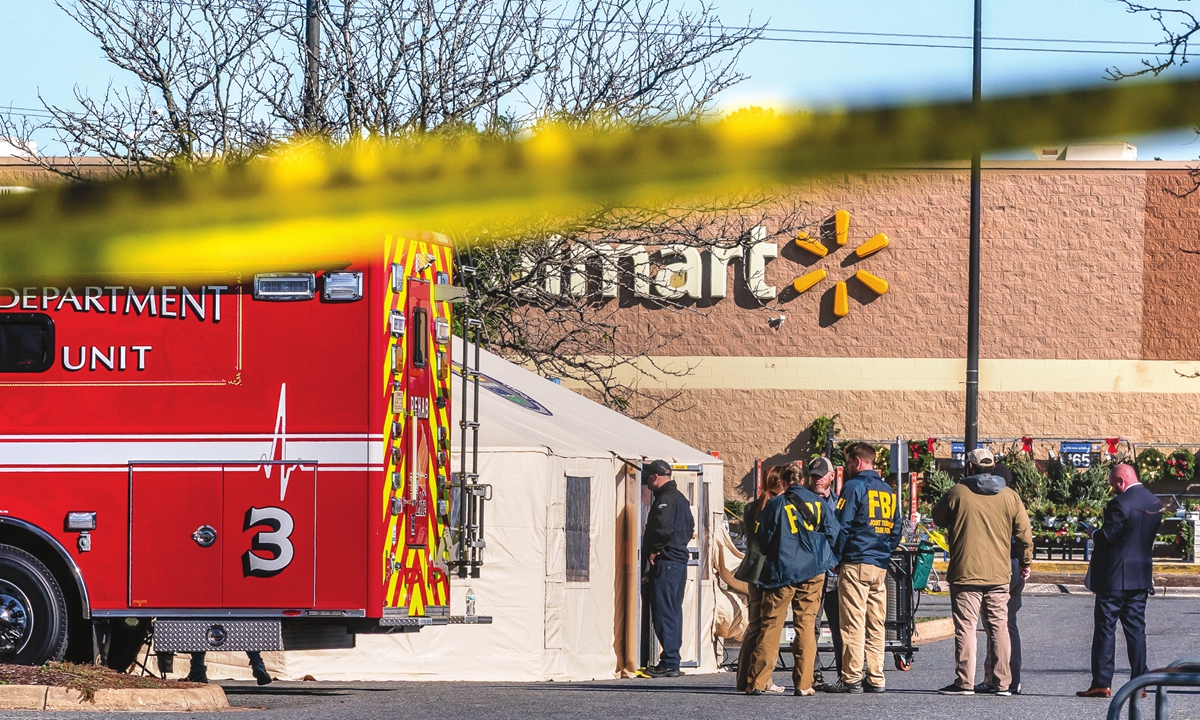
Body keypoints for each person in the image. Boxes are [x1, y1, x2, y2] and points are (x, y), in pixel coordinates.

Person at [932, 448, 1033, 696]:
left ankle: (964, 682)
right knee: (999, 626)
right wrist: (1026, 561)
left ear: (970, 466)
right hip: (999, 573)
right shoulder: (1010, 496)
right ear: (993, 465)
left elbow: (938, 518)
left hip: (965, 571)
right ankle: (1003, 682)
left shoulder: (958, 492)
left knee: (966, 627)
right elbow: (1024, 534)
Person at [744, 463, 841, 696]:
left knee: (771, 625)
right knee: (806, 626)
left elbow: (763, 539)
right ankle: (804, 683)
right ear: (803, 479)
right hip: (814, 570)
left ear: (784, 482)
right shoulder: (818, 504)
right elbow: (834, 532)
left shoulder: (776, 505)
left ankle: (758, 681)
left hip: (782, 569)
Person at [1077, 462, 1163, 699]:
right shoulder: (1153, 502)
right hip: (1140, 576)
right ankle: (1140, 683)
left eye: (1113, 485)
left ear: (1121, 482)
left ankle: (1102, 683)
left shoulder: (1119, 504)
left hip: (1114, 577)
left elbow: (1107, 537)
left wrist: (1092, 532)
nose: (1112, 490)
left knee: (1105, 629)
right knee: (1136, 630)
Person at [825, 442, 902, 694]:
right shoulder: (888, 490)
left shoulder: (853, 486)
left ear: (857, 461)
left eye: (848, 462)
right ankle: (876, 677)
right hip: (879, 565)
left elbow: (842, 526)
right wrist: (883, 552)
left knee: (852, 623)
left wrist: (836, 558)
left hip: (856, 561)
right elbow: (896, 529)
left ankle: (851, 678)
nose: (847, 467)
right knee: (876, 624)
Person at [735, 466, 788, 694]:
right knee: (770, 627)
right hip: (771, 571)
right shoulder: (780, 507)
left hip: (752, 571)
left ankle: (743, 678)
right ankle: (762, 679)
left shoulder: (750, 508)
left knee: (754, 626)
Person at [640, 459, 695, 678]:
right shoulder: (680, 498)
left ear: (655, 476)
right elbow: (690, 527)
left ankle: (670, 662)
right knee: (673, 611)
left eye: (648, 477)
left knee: (664, 612)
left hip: (667, 562)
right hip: (678, 562)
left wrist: (654, 549)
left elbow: (662, 529)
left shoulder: (666, 499)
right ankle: (671, 659)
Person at [980, 463, 1028, 695]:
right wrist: (1026, 562)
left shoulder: (993, 501)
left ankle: (999, 678)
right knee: (1008, 624)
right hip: (1016, 565)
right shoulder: (1014, 500)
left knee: (997, 626)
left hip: (1000, 566)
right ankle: (1011, 678)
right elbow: (1024, 535)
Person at [806, 457, 842, 690]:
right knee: (811, 627)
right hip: (814, 573)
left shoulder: (841, 504)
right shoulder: (803, 503)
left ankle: (845, 675)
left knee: (842, 628)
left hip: (838, 574)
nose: (817, 479)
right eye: (813, 475)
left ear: (831, 476)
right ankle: (812, 675)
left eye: (821, 475)